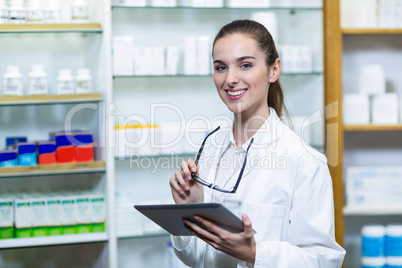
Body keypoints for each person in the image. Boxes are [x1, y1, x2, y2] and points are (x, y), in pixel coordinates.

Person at [169, 19, 346, 268]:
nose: (230, 79)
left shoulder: (304, 161)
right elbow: (198, 259)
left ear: (273, 70)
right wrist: (190, 210)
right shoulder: (210, 148)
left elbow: (324, 260)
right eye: (221, 67)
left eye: (245, 65)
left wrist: (255, 253)